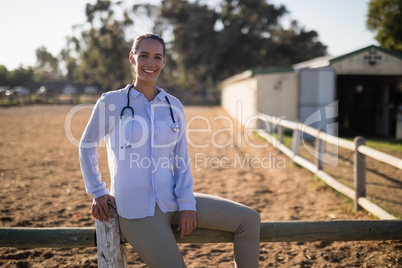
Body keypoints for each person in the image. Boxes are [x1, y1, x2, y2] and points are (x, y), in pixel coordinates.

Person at [79, 33, 260, 268]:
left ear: (164, 62)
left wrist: (186, 204)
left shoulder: (173, 105)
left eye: (157, 57)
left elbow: (180, 159)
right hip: (137, 211)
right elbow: (86, 145)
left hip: (172, 200)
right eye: (144, 55)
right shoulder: (111, 102)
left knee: (248, 220)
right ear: (132, 58)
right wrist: (98, 191)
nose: (150, 63)